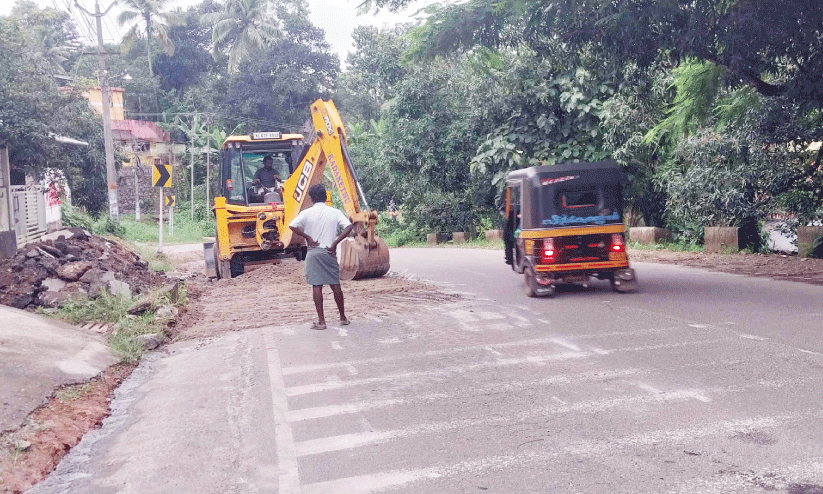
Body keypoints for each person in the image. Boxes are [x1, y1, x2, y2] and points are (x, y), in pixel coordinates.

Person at [289, 184, 354, 330]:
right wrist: (335, 243)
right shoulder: (334, 212)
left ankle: (322, 322)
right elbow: (349, 227)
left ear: (311, 197)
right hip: (329, 251)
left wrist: (308, 237)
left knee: (316, 286)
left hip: (313, 252)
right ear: (325, 196)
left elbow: (292, 226)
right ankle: (343, 317)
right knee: (335, 284)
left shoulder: (306, 213)